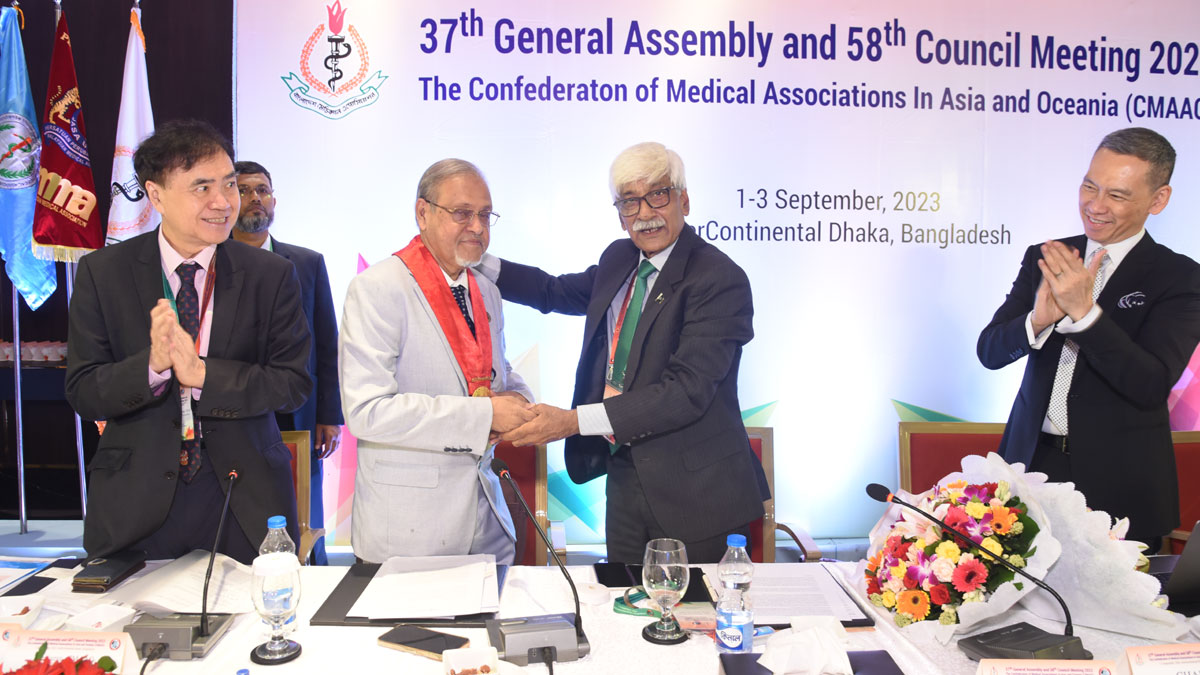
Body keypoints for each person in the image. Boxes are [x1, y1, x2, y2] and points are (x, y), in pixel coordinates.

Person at [479, 141, 769, 563]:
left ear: (684, 201)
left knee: (695, 605)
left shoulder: (719, 279)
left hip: (699, 493)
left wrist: (573, 422)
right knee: (623, 598)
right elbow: (553, 291)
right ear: (619, 214)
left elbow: (686, 392)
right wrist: (475, 259)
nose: (645, 213)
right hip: (625, 478)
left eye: (658, 195)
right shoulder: (620, 258)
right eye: (630, 201)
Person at [66, 119, 311, 564]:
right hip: (136, 501)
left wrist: (203, 375)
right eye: (202, 187)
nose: (224, 202)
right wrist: (152, 366)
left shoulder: (271, 274)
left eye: (229, 184)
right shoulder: (104, 273)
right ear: (156, 195)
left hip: (243, 497)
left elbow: (292, 383)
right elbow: (84, 391)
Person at [978, 127, 1200, 546]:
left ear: (1158, 200)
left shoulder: (1180, 277)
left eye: (1116, 195)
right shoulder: (1048, 256)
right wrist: (1038, 320)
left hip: (1120, 484)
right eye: (1089, 186)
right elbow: (989, 351)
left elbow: (1150, 384)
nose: (1095, 206)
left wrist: (1085, 314)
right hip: (1030, 468)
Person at [339, 159, 534, 564]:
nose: (477, 227)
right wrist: (486, 415)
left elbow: (495, 372)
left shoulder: (486, 289)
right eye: (462, 213)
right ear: (423, 213)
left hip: (487, 525)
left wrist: (520, 401)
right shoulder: (378, 288)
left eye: (485, 215)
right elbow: (366, 411)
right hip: (409, 534)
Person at [233, 160, 343, 565]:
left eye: (262, 190)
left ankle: (312, 572)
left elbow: (326, 342)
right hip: (237, 408)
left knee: (303, 505)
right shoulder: (212, 262)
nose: (255, 198)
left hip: (298, 410)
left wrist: (329, 414)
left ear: (274, 200)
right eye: (244, 190)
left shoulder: (307, 263)